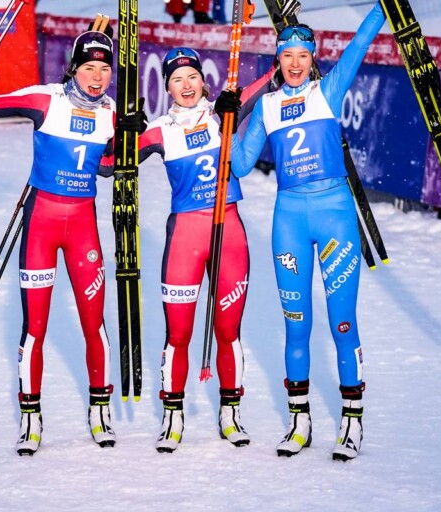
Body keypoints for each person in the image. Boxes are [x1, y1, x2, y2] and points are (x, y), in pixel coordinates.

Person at [215, 3, 386, 461]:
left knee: (342, 322)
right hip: (289, 218)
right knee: (296, 325)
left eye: (303, 56)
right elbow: (240, 163)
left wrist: (381, 9)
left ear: (313, 59)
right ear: (278, 60)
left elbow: (360, 44)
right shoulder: (268, 106)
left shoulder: (328, 91)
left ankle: (351, 422)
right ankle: (299, 422)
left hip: (334, 214)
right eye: (287, 56)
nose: (294, 63)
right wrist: (226, 117)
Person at [0, 21, 143, 456]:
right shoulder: (47, 98)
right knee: (36, 328)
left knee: (93, 324)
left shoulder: (110, 113)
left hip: (82, 228)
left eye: (105, 69)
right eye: (89, 68)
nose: (98, 77)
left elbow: (105, 168)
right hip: (41, 224)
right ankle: (31, 419)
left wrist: (127, 139)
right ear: (73, 68)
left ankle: (99, 411)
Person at [125, 47, 272, 453]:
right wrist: (126, 130)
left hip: (229, 231)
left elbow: (272, 82)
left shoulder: (224, 111)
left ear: (203, 82)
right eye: (177, 79)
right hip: (185, 237)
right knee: (179, 333)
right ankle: (173, 418)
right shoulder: (160, 130)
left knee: (228, 331)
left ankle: (230, 414)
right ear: (167, 87)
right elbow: (108, 163)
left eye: (192, 77)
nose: (186, 85)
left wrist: (288, 41)